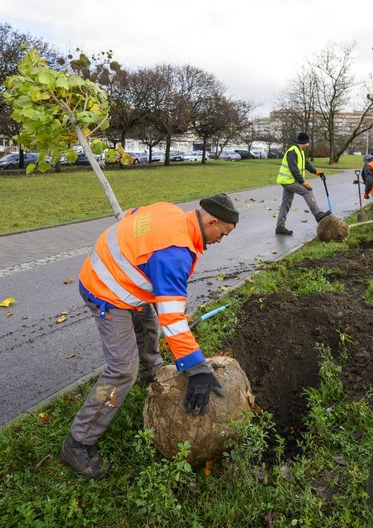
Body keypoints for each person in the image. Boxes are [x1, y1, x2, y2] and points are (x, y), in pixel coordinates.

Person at [60, 193, 240, 478]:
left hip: (127, 280)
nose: (221, 239)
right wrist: (196, 368)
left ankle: (151, 376)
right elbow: (172, 318)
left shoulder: (170, 211)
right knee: (121, 370)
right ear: (212, 221)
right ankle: (79, 441)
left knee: (147, 328)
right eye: (223, 233)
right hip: (107, 291)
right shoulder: (175, 252)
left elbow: (132, 214)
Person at [274, 132, 330, 236]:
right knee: (307, 191)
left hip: (289, 181)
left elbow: (305, 163)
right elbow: (294, 169)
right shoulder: (292, 151)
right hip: (288, 181)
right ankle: (318, 214)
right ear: (304, 142)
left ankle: (280, 227)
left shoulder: (299, 151)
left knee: (286, 204)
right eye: (307, 143)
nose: (308, 145)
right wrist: (303, 182)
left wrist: (315, 171)